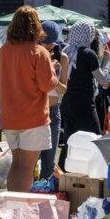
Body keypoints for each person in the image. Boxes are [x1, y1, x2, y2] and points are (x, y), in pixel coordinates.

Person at [0, 6, 59, 192]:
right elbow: (48, 85)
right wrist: (53, 71)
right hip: (33, 117)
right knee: (27, 167)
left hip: (10, 116)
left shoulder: (2, 52)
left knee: (17, 164)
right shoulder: (38, 52)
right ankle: (19, 209)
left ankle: (12, 205)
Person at [61, 21, 109, 140]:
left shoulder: (66, 51)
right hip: (84, 102)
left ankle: (66, 159)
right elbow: (102, 80)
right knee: (94, 137)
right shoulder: (88, 53)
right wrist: (107, 60)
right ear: (88, 34)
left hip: (67, 100)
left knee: (71, 139)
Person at [39, 21, 68, 180]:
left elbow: (64, 89)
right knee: (33, 159)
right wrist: (50, 69)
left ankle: (44, 194)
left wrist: (53, 78)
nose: (48, 46)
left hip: (54, 111)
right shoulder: (35, 55)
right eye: (44, 42)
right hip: (37, 111)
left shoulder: (62, 58)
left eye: (51, 42)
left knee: (49, 162)